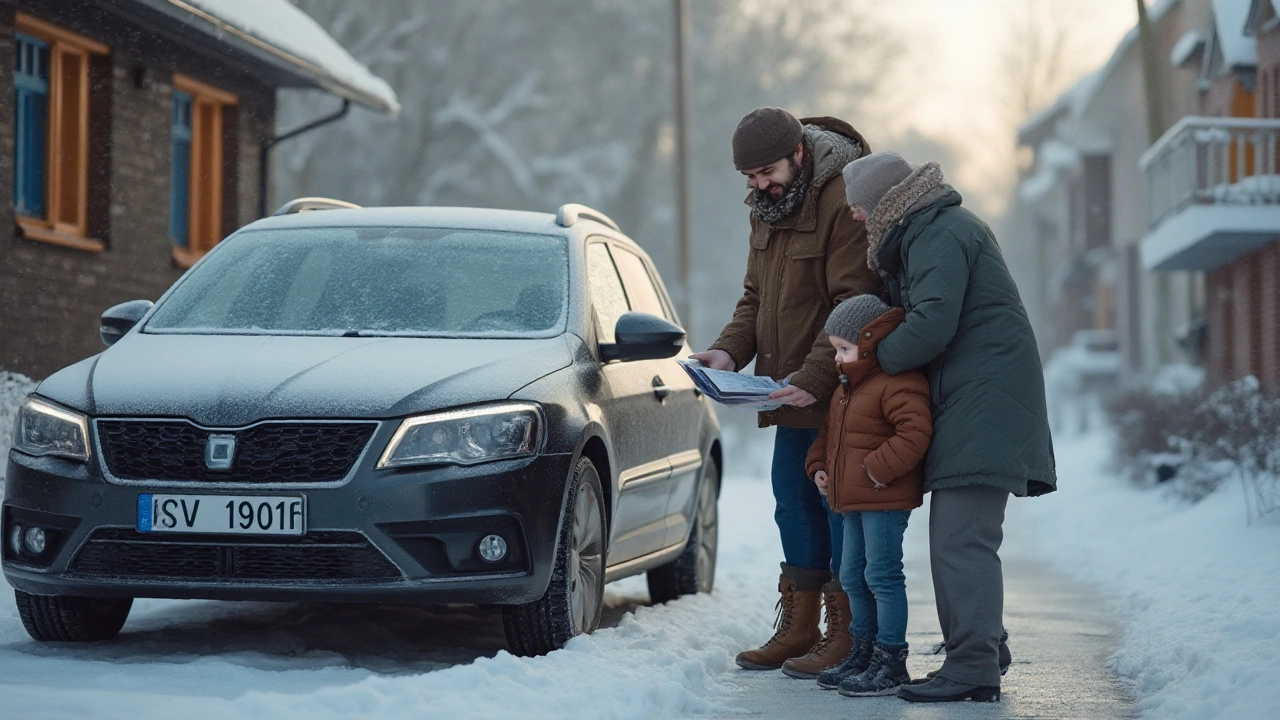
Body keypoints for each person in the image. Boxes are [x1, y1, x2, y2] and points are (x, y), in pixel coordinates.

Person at [840, 152, 1057, 703]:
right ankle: (983, 648)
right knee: (957, 540)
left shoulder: (940, 233)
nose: (857, 219)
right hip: (973, 396)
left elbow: (932, 322)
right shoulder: (928, 233)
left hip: (986, 398)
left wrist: (872, 360)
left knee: (962, 540)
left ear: (884, 202)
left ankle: (973, 668)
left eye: (860, 208)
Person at [690, 107, 879, 677]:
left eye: (766, 172)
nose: (758, 185)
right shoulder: (767, 208)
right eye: (748, 177)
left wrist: (814, 378)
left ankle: (846, 633)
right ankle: (799, 630)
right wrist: (727, 352)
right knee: (791, 501)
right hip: (787, 391)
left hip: (840, 388)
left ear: (800, 153)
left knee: (837, 505)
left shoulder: (843, 197)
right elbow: (757, 298)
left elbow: (856, 301)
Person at [804, 294, 931, 697]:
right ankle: (863, 652)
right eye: (835, 350)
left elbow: (915, 432)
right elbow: (828, 437)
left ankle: (891, 659)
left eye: (844, 348)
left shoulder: (898, 381)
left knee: (882, 576)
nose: (838, 358)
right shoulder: (846, 390)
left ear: (872, 339)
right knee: (851, 575)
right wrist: (819, 467)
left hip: (885, 498)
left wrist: (876, 469)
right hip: (852, 501)